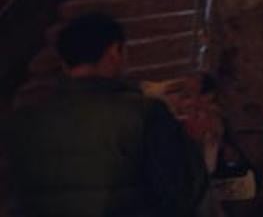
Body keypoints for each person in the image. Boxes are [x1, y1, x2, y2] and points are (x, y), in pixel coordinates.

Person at [5, 13, 210, 216]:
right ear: (114, 52)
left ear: (65, 63)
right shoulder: (144, 114)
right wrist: (194, 145)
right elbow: (181, 193)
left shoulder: (24, 121)